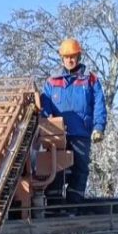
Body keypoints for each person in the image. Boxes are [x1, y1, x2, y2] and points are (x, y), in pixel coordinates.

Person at [40, 37, 107, 210]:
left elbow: (99, 104)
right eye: (67, 56)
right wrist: (45, 125)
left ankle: (73, 206)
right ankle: (53, 206)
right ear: (61, 58)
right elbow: (44, 106)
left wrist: (98, 127)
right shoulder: (52, 82)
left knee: (80, 167)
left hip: (80, 133)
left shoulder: (90, 80)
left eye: (73, 56)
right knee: (54, 168)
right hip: (57, 133)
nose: (70, 60)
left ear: (78, 57)